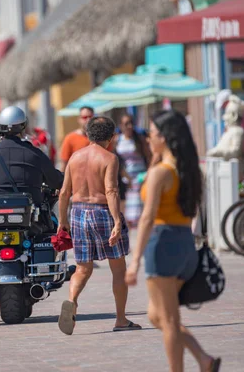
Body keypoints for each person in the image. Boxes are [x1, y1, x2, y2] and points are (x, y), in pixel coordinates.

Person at [125, 111, 221, 372]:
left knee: (167, 319)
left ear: (165, 138)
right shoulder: (188, 171)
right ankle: (203, 359)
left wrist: (134, 262)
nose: (147, 140)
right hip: (185, 244)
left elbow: (147, 218)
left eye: (152, 135)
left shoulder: (160, 173)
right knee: (156, 315)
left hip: (163, 242)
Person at [57, 116, 140, 335]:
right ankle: (120, 319)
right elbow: (111, 190)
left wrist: (62, 220)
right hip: (102, 212)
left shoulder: (75, 157)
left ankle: (72, 301)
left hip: (78, 213)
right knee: (118, 269)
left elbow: (64, 192)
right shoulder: (109, 158)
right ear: (112, 137)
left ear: (88, 135)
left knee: (83, 268)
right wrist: (117, 220)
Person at [0, 106, 64, 235]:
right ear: (23, 127)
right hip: (31, 224)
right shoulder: (35, 154)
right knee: (49, 230)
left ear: (0, 128)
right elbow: (55, 180)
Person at [116, 114, 151, 227]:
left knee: (140, 203)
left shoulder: (139, 139)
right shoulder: (117, 140)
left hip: (141, 174)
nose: (129, 126)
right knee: (129, 206)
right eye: (126, 124)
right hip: (126, 176)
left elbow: (149, 156)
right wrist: (124, 175)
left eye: (131, 123)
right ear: (121, 126)